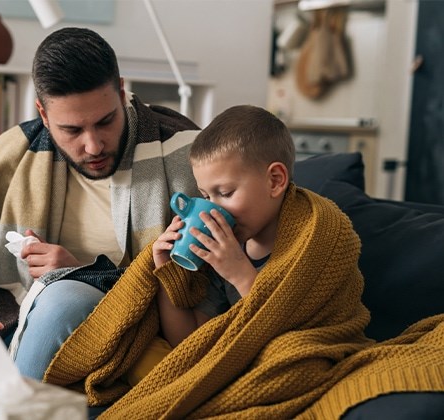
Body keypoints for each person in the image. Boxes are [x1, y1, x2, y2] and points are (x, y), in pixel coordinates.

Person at [43, 105, 444, 418]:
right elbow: (193, 341)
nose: (213, 207)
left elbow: (308, 328)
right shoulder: (221, 246)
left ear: (275, 181)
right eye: (206, 194)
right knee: (144, 363)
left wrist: (240, 272)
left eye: (225, 192)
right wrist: (166, 277)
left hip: (307, 352)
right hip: (232, 359)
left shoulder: (317, 234)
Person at [0, 27, 200, 380]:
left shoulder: (184, 152)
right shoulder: (22, 147)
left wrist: (83, 274)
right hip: (14, 310)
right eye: (72, 130)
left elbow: (203, 286)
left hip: (112, 321)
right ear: (43, 114)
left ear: (120, 91)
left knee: (64, 298)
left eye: (105, 121)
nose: (93, 146)